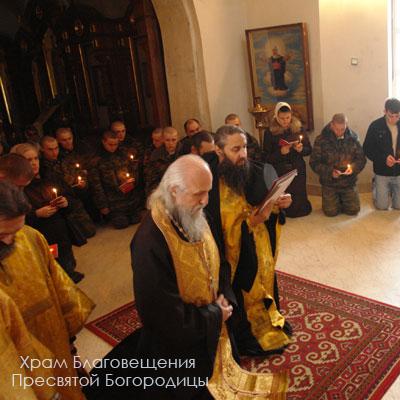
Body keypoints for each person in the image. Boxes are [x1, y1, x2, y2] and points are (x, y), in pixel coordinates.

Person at [90, 155, 287, 399]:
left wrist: (225, 298)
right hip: (181, 351)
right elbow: (160, 315)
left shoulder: (192, 213)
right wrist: (215, 314)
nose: (205, 201)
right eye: (198, 194)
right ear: (174, 191)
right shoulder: (149, 242)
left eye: (208, 192)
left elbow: (219, 261)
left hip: (213, 328)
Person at [0, 181, 94, 399]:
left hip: (54, 342)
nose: (10, 241)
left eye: (15, 232)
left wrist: (71, 348)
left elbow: (60, 289)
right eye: (3, 233)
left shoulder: (30, 237)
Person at [205, 124, 293, 356]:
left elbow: (263, 200)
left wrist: (278, 205)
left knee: (264, 280)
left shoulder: (250, 169)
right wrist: (249, 223)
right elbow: (214, 228)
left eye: (244, 147)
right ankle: (247, 334)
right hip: (233, 255)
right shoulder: (210, 180)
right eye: (236, 149)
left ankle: (269, 320)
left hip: (258, 243)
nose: (243, 154)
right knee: (246, 289)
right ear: (219, 151)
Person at [11, 143, 85, 283]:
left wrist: (65, 202)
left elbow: (71, 197)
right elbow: (12, 219)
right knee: (48, 269)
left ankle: (68, 272)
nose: (33, 163)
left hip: (60, 230)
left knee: (66, 262)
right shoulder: (15, 188)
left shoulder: (50, 176)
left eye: (35, 159)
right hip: (39, 233)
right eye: (28, 160)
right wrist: (36, 214)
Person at [363, 97, 400, 210]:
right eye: (390, 116)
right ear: (384, 111)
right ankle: (377, 189)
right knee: (382, 206)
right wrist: (383, 159)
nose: (394, 119)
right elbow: (367, 148)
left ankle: (398, 195)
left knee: (399, 206)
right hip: (382, 172)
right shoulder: (375, 126)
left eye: (397, 116)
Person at [309, 113, 366, 216]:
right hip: (330, 183)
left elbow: (361, 159)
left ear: (346, 125)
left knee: (353, 210)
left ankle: (343, 199)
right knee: (331, 212)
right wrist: (330, 172)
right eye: (336, 129)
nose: (339, 132)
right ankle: (336, 200)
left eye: (342, 129)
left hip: (348, 182)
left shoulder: (353, 138)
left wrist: (352, 169)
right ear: (331, 125)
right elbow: (314, 163)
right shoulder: (321, 139)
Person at [39, 136, 96, 237]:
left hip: (72, 198)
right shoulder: (42, 168)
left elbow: (76, 175)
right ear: (42, 149)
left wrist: (82, 185)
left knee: (89, 231)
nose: (54, 152)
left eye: (56, 148)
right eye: (50, 149)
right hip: (56, 202)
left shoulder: (65, 160)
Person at [263, 102, 312, 217]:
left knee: (299, 194)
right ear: (276, 116)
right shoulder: (269, 132)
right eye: (282, 118)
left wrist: (301, 150)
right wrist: (281, 153)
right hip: (280, 169)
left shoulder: (298, 128)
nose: (285, 121)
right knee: (285, 196)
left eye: (288, 117)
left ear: (291, 116)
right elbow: (266, 157)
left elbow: (309, 149)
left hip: (297, 167)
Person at [88, 130, 143, 229]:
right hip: (113, 200)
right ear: (104, 142)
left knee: (136, 219)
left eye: (116, 144)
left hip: (129, 196)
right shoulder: (97, 160)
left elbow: (132, 173)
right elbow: (96, 185)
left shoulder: (123, 154)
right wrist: (103, 205)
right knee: (121, 224)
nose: (113, 147)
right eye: (110, 144)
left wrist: (132, 177)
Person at [144, 126, 180, 196]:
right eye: (167, 140)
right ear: (163, 140)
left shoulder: (184, 151)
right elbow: (150, 180)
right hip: (164, 193)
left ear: (178, 139)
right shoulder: (156, 155)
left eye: (173, 140)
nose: (170, 143)